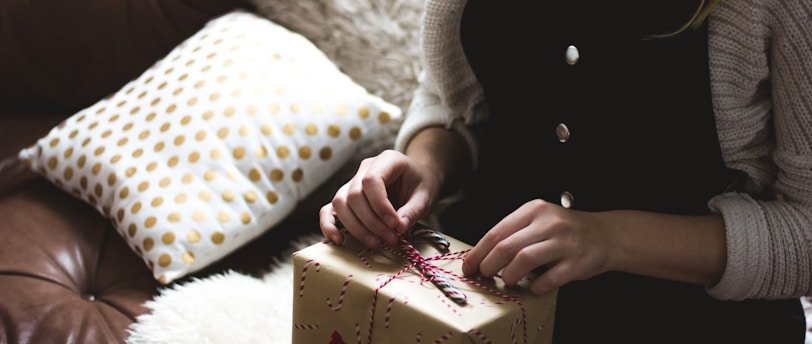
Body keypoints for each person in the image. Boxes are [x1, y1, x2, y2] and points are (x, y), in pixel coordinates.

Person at [320, 0, 811, 342]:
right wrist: (425, 163)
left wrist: (609, 237)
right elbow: (451, 96)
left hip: (695, 325)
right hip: (471, 307)